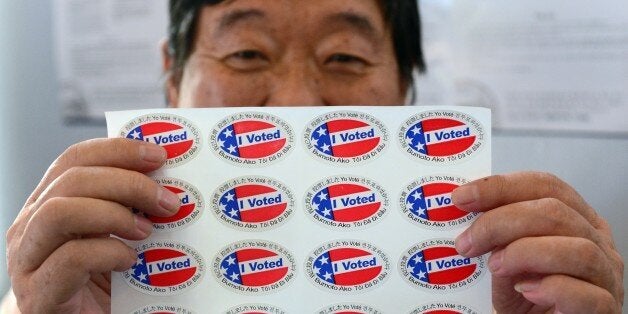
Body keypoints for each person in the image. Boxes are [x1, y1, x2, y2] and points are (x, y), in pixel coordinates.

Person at [3, 0, 623, 313]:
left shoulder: (501, 284)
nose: (297, 107)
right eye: (246, 53)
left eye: (345, 58)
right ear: (174, 78)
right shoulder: (86, 285)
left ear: (407, 88)